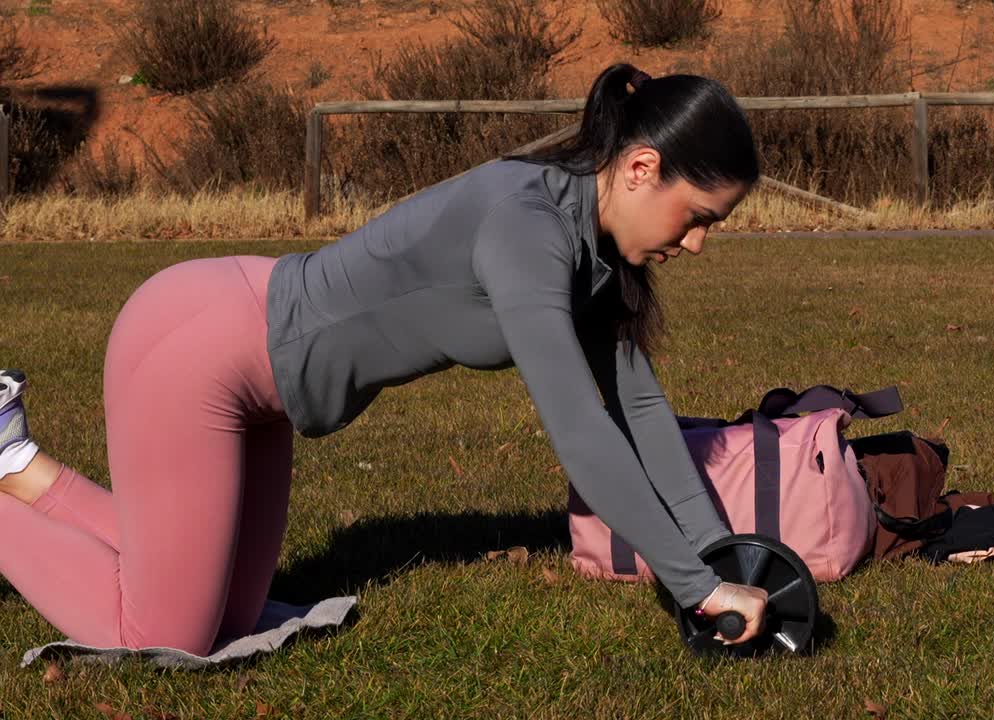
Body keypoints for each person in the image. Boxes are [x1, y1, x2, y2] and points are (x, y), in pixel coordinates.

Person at [0, 63, 767, 656]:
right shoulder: (528, 228)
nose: (698, 242)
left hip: (261, 380)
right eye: (698, 217)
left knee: (230, 611)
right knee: (162, 635)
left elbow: (639, 409)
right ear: (640, 169)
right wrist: (697, 588)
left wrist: (717, 557)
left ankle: (17, 462)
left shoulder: (591, 254)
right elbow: (580, 429)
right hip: (198, 348)